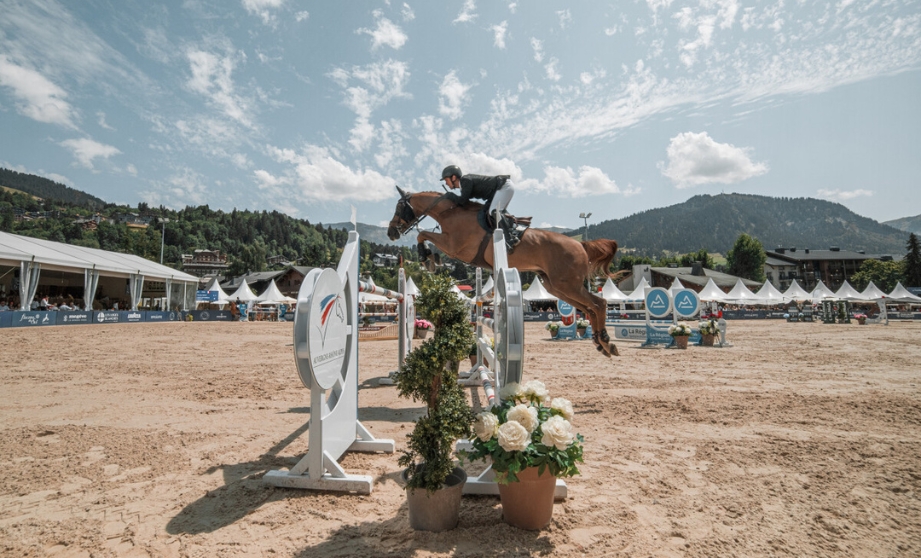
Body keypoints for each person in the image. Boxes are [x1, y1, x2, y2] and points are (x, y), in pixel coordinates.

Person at [440, 165, 520, 248]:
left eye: (446, 180)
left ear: (453, 177)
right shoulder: (464, 184)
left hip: (503, 186)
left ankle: (510, 238)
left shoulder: (465, 180)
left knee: (494, 211)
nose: (446, 183)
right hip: (498, 190)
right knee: (486, 212)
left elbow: (463, 202)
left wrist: (450, 195)